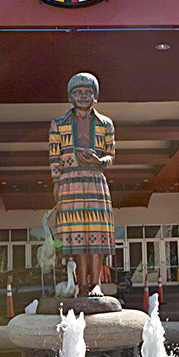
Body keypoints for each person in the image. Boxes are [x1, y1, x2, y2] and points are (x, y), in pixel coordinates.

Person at [49, 72, 115, 297]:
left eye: (88, 92)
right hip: (70, 182)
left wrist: (101, 161)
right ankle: (82, 285)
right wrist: (56, 181)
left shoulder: (106, 124)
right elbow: (54, 156)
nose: (83, 96)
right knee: (77, 235)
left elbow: (111, 154)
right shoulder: (58, 124)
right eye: (78, 92)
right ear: (71, 96)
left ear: (95, 96)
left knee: (96, 233)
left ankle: (96, 283)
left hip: (96, 180)